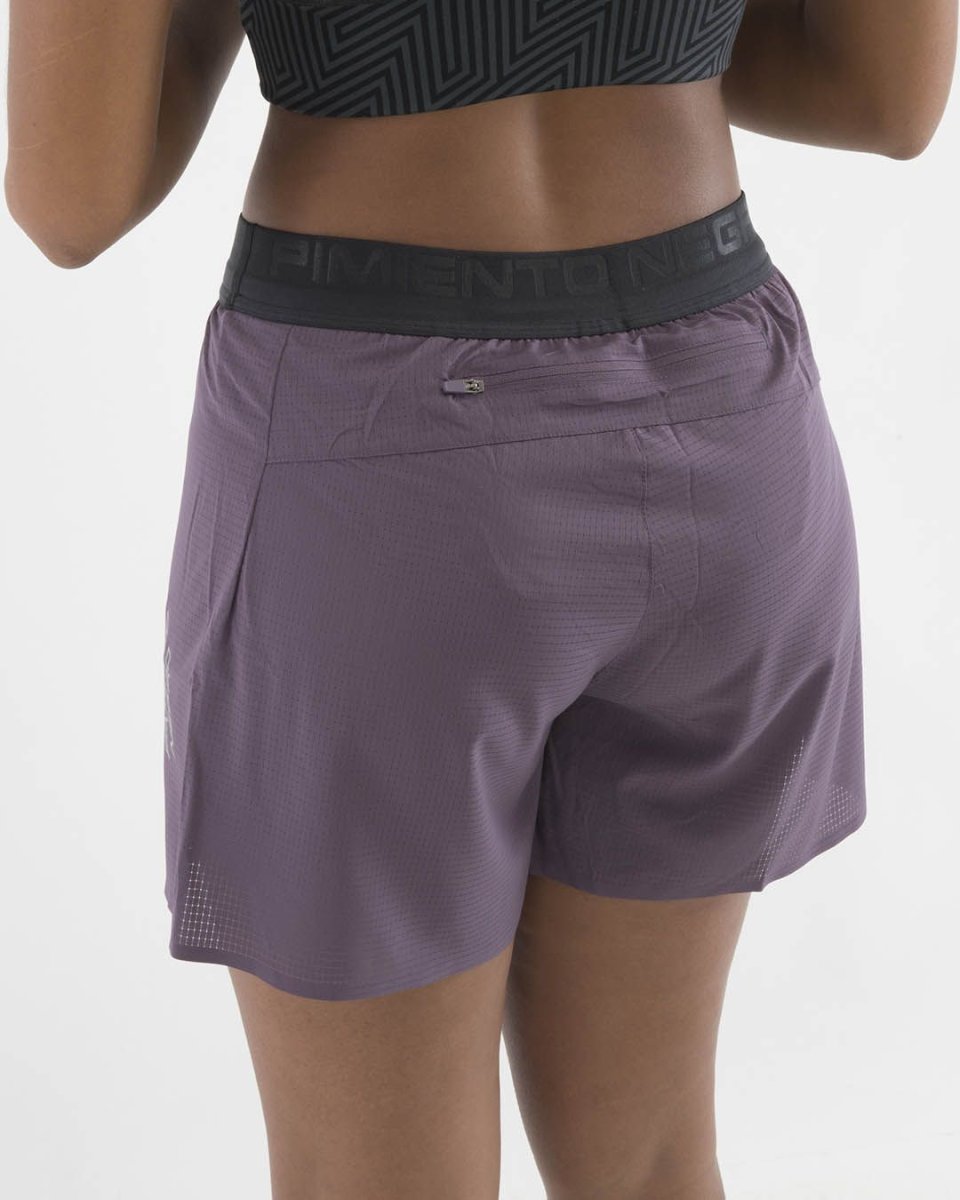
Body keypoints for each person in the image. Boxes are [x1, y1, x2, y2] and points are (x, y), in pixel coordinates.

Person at [6, 2, 956, 1197]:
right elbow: (886, 98)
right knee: (654, 1169)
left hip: (381, 460)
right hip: (721, 423)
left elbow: (71, 198)